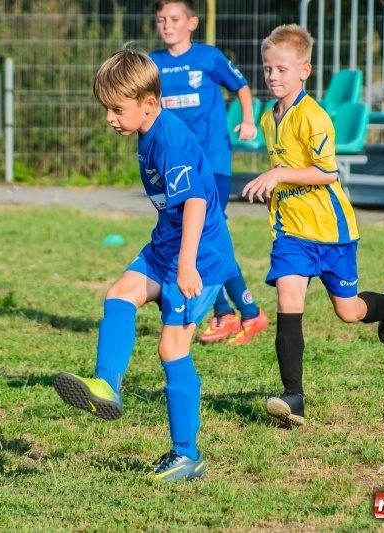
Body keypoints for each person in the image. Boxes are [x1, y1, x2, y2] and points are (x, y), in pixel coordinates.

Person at [53, 46, 240, 482]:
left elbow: (194, 202)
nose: (109, 118)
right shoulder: (147, 131)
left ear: (149, 103)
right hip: (165, 247)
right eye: (106, 109)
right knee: (119, 295)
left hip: (200, 257)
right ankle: (106, 386)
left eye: (117, 109)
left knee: (171, 348)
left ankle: (186, 455)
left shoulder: (169, 141)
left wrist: (187, 266)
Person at [242, 24, 384, 427]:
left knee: (348, 312)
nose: (273, 76)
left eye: (282, 68)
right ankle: (293, 397)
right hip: (291, 234)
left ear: (304, 70)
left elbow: (327, 173)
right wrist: (276, 179)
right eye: (267, 69)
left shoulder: (314, 118)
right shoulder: (268, 118)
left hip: (332, 233)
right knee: (288, 299)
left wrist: (278, 175)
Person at [149, 0, 268, 346]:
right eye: (161, 20)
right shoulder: (154, 64)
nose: (167, 25)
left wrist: (247, 119)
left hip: (213, 161)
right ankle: (233, 312)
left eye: (174, 19)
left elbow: (241, 86)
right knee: (199, 239)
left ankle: (242, 312)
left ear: (192, 23)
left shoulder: (209, 57)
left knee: (204, 236)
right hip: (176, 167)